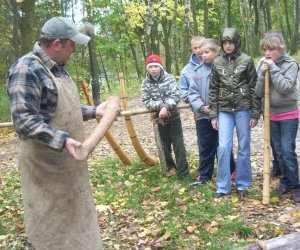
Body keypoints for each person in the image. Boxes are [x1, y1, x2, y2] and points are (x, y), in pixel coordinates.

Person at [7, 16, 120, 249]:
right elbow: (23, 119)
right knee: (53, 233)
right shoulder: (26, 69)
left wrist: (94, 111)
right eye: (72, 44)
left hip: (70, 166)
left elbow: (58, 106)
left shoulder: (58, 69)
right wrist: (63, 140)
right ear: (57, 44)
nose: (75, 48)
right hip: (45, 169)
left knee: (79, 228)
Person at [209, 27, 261, 198]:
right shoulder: (217, 62)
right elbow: (213, 89)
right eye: (225, 42)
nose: (228, 46)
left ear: (237, 42)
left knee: (244, 147)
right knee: (223, 147)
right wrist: (213, 115)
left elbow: (254, 87)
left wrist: (255, 113)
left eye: (231, 42)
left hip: (243, 108)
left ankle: (243, 184)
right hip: (224, 110)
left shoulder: (246, 60)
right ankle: (223, 186)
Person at [180, 36, 236, 186]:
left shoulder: (224, 69)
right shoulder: (196, 72)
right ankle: (204, 175)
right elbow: (192, 93)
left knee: (223, 145)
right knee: (205, 146)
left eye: (206, 52)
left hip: (221, 115)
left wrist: (217, 109)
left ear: (217, 52)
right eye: (200, 52)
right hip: (202, 116)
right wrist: (201, 107)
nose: (202, 55)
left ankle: (230, 171)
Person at [255, 30, 300, 203]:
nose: (267, 54)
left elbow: (284, 87)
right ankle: (286, 181)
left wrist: (273, 69)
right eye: (265, 50)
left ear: (281, 49)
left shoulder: (291, 64)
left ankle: (296, 186)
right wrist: (262, 74)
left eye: (271, 50)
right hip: (271, 114)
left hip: (288, 114)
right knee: (279, 152)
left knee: (288, 150)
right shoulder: (264, 64)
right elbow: (259, 92)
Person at [141, 54, 190, 179]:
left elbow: (176, 95)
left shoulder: (169, 78)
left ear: (160, 67)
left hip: (173, 116)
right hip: (159, 119)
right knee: (165, 146)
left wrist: (166, 107)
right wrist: (161, 107)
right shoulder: (145, 83)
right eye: (150, 67)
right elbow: (146, 101)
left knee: (179, 144)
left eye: (155, 66)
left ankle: (183, 172)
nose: (153, 69)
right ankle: (170, 169)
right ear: (147, 68)